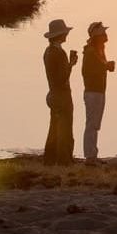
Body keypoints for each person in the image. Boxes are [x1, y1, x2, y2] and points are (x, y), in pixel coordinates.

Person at [42, 18, 78, 165]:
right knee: (65, 130)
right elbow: (63, 77)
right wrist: (71, 65)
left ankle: (50, 160)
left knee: (54, 129)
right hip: (62, 95)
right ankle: (65, 161)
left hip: (52, 94)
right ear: (60, 35)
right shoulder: (59, 53)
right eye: (65, 33)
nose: (66, 35)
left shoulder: (48, 51)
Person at [81, 21, 116, 164]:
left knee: (94, 124)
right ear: (97, 36)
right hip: (93, 91)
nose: (106, 35)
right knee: (92, 124)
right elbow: (87, 72)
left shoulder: (98, 49)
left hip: (98, 90)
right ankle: (90, 157)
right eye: (103, 33)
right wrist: (106, 67)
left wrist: (106, 67)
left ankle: (92, 155)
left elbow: (98, 68)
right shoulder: (91, 51)